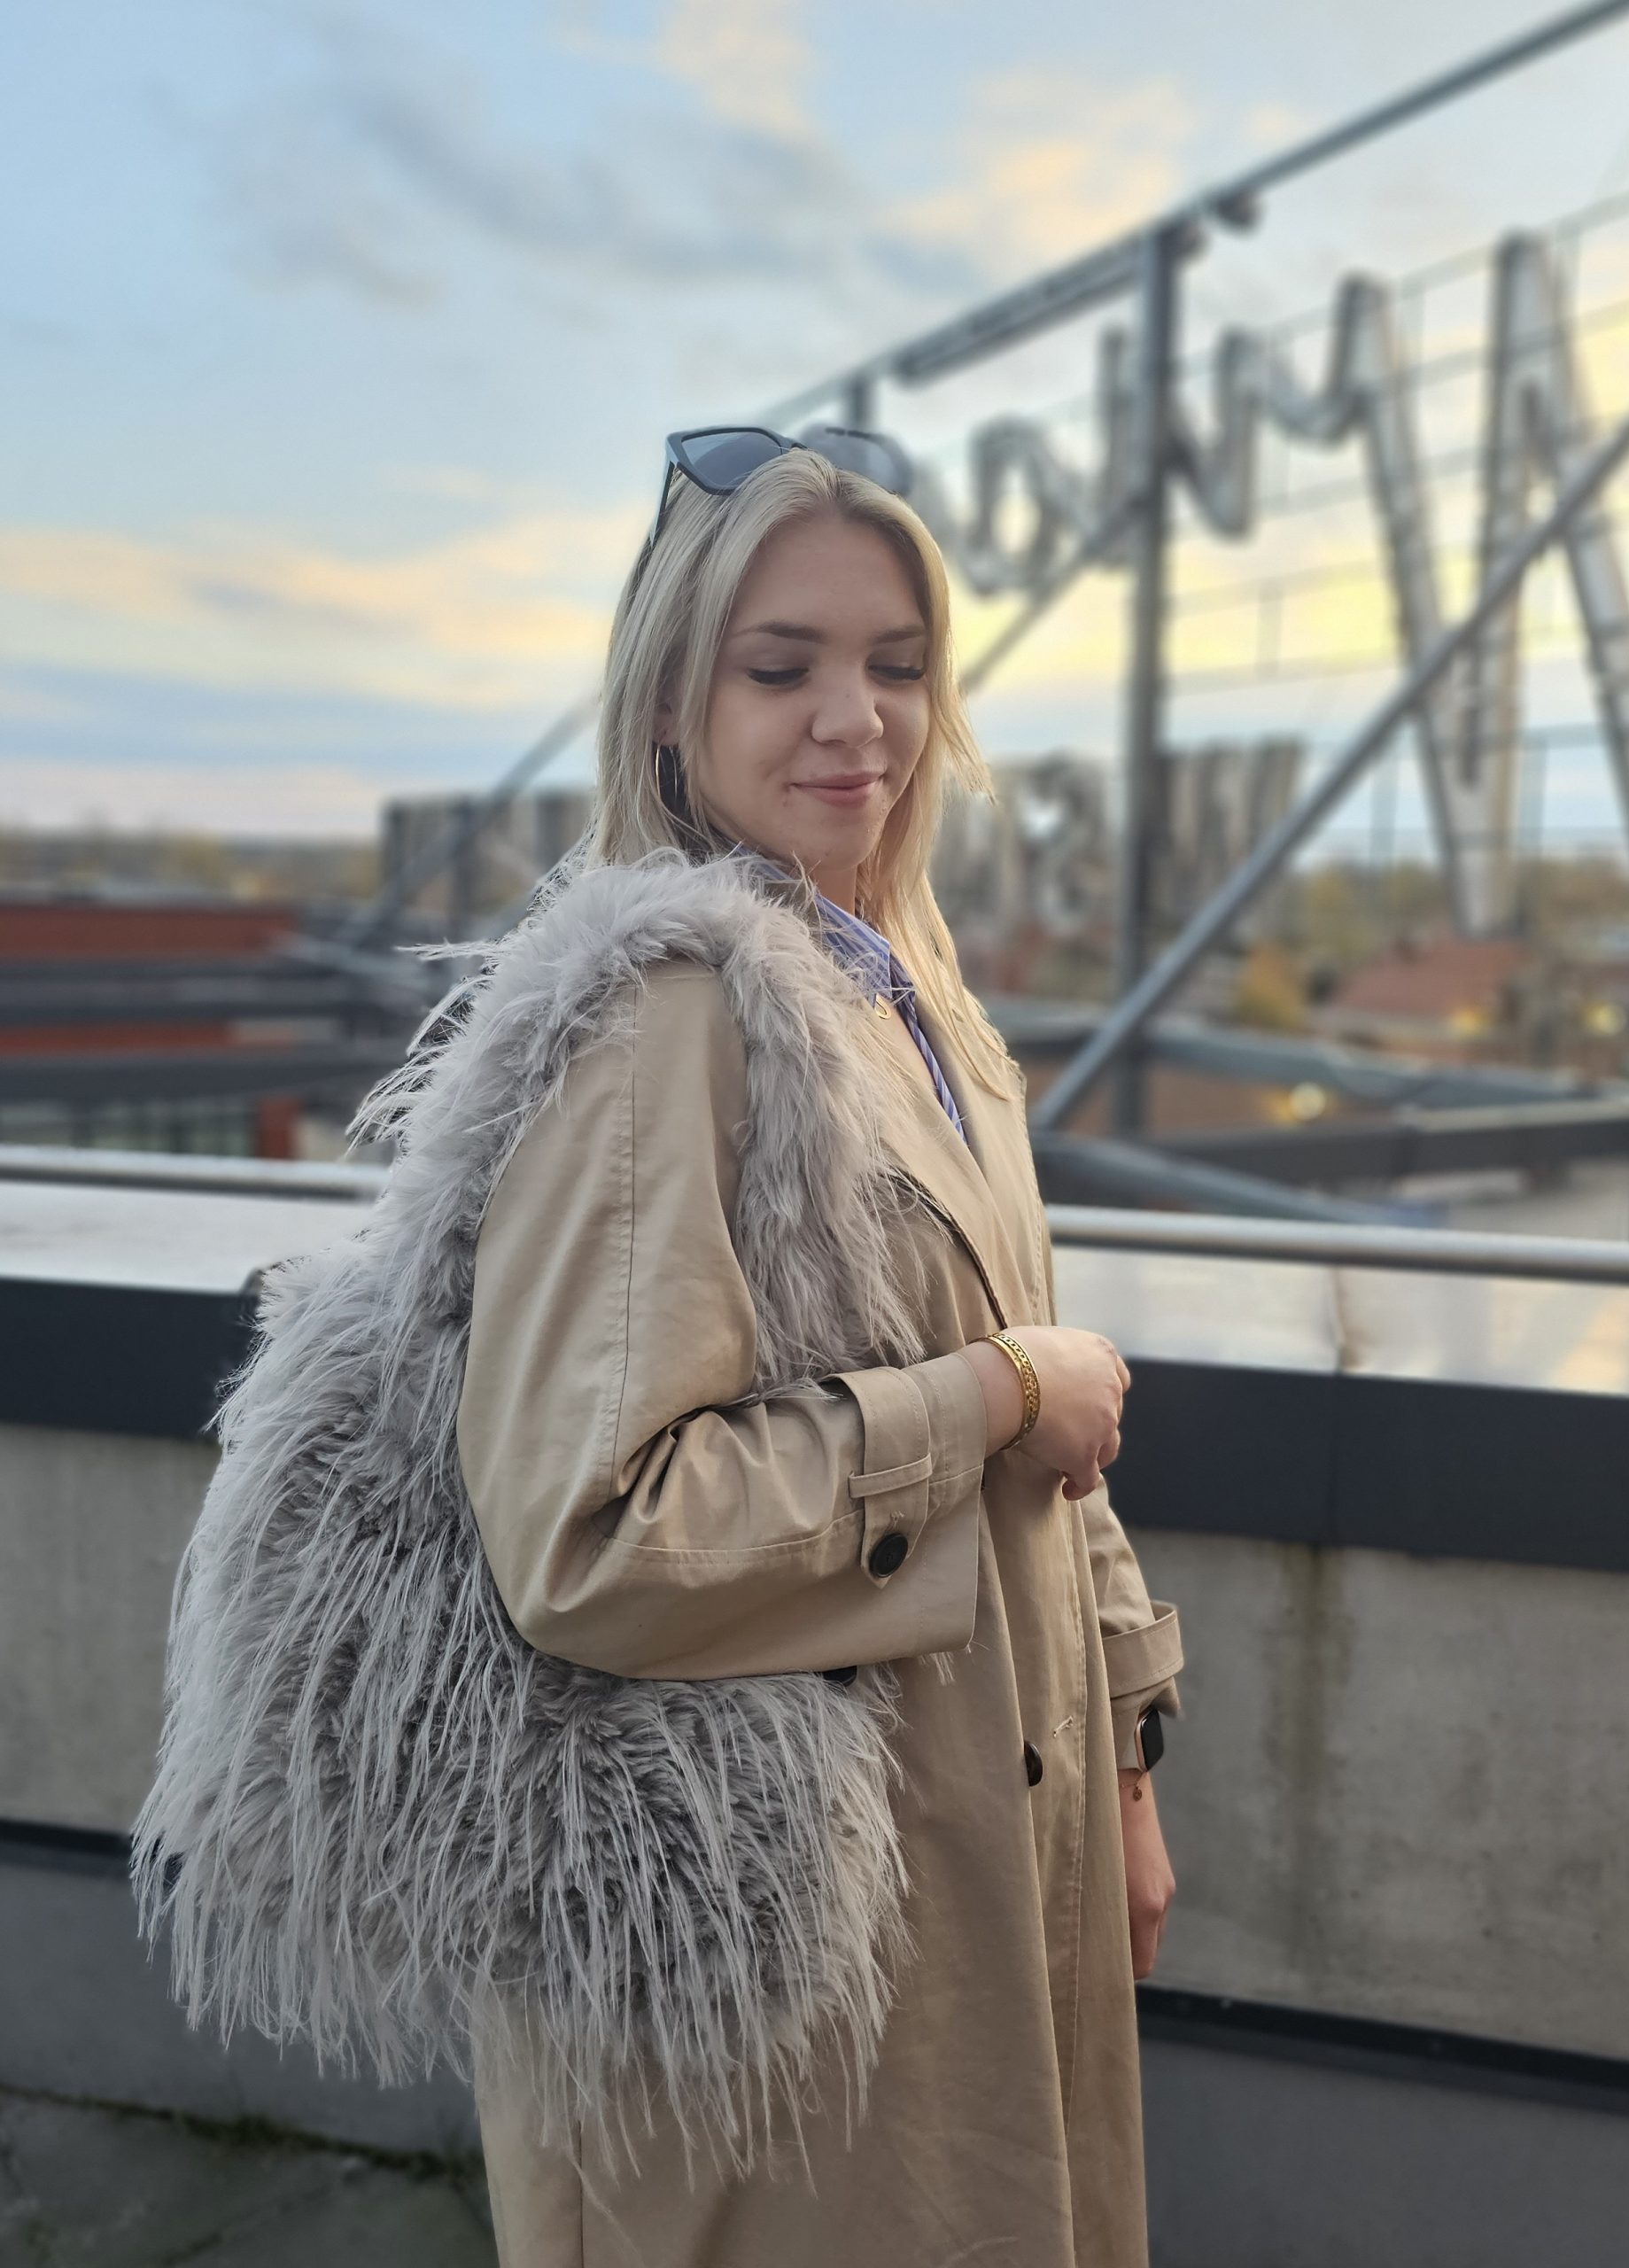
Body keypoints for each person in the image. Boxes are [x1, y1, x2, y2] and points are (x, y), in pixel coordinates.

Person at [456, 426, 1184, 2266]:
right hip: (790, 1964)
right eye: (781, 667)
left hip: (988, 1866)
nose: (856, 720)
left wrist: (1124, 1769)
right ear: (667, 705)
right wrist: (990, 1395)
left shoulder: (903, 989)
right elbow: (593, 1530)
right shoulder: (665, 1018)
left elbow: (1055, 1439)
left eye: (898, 663)